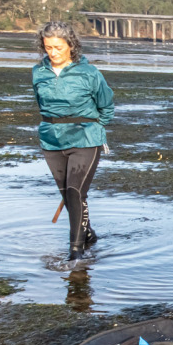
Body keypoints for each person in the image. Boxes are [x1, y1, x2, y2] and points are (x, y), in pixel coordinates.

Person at [32, 21, 114, 261]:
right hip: (52, 140)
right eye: (48, 47)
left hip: (85, 138)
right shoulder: (38, 72)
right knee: (67, 196)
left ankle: (75, 252)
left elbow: (106, 105)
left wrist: (94, 128)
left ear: (71, 46)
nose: (53, 52)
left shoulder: (89, 73)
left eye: (58, 47)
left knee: (75, 191)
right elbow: (41, 104)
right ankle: (87, 234)